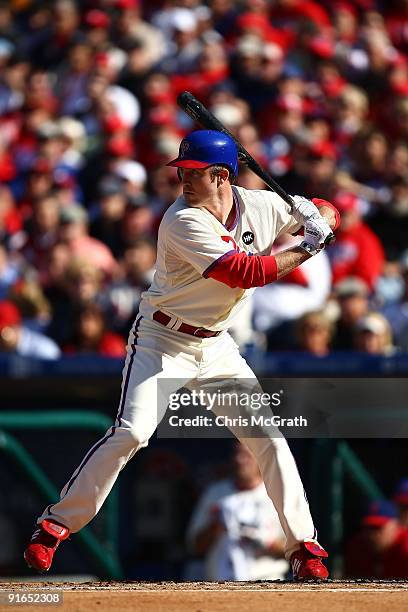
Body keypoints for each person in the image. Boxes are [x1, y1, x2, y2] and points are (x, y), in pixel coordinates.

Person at [24, 130, 339, 580]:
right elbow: (245, 272)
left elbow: (330, 211)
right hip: (162, 340)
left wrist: (321, 213)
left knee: (268, 438)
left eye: (194, 173)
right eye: (182, 172)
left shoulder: (263, 205)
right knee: (131, 432)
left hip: (216, 344)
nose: (184, 181)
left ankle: (304, 546)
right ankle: (55, 524)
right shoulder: (181, 220)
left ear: (221, 175)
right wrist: (311, 243)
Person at [186, 441, 289, 580]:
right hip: (221, 585)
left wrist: (267, 541)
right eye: (236, 454)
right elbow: (194, 546)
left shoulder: (278, 493)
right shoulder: (216, 492)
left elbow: (295, 550)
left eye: (246, 455)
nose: (239, 460)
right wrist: (216, 527)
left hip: (267, 581)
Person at [345, 500, 408, 579]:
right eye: (368, 527)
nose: (372, 534)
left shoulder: (405, 547)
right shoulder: (357, 547)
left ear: (396, 525)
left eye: (377, 527)